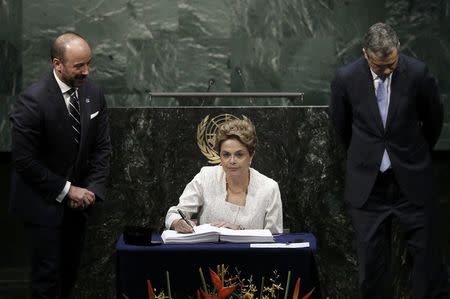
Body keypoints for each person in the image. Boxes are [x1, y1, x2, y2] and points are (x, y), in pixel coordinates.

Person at [330, 22, 448, 298]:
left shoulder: (418, 73)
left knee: (427, 268)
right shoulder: (346, 78)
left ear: (397, 51)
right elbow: (340, 126)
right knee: (371, 269)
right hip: (369, 188)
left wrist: (411, 154)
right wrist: (367, 157)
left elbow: (433, 120)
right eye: (380, 66)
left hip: (412, 181)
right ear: (365, 54)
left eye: (392, 64)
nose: (387, 71)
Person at [10, 32, 111, 299]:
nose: (86, 71)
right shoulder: (32, 100)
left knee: (69, 277)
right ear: (57, 64)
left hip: (79, 209)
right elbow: (23, 160)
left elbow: (102, 148)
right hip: (43, 205)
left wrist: (91, 190)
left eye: (88, 63)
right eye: (79, 66)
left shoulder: (93, 93)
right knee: (47, 282)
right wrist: (68, 190)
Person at [165, 118, 283, 234]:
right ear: (219, 156)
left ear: (251, 156)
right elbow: (174, 213)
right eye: (226, 155)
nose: (232, 161)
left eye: (239, 155)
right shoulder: (206, 177)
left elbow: (275, 237)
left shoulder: (269, 188)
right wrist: (178, 222)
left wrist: (241, 231)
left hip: (251, 253)